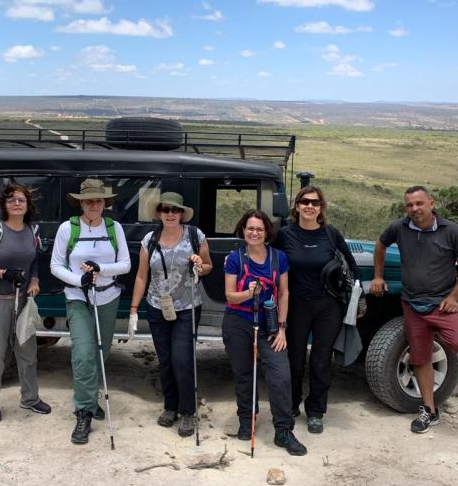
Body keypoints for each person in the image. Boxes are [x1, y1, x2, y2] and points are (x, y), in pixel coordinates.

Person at [370, 185, 458, 433]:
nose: (414, 209)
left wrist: (454, 297)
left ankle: (433, 335)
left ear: (431, 203)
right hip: (412, 304)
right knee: (419, 359)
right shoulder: (400, 227)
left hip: (442, 304)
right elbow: (380, 245)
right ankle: (429, 410)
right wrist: (377, 276)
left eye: (419, 203)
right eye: (409, 205)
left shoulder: (452, 231)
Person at [50, 178, 131, 445]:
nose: (94, 204)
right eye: (88, 200)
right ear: (81, 203)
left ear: (104, 203)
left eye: (98, 200)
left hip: (108, 295)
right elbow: (55, 265)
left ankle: (89, 397)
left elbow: (125, 264)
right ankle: (84, 410)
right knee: (84, 353)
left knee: (100, 352)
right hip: (78, 296)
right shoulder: (68, 228)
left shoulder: (113, 227)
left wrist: (100, 269)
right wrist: (79, 280)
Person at [274, 185, 359, 434]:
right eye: (305, 201)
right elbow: (268, 260)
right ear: (297, 206)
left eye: (315, 203)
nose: (310, 206)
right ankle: (291, 405)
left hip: (327, 306)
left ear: (321, 208)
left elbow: (352, 266)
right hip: (296, 305)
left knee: (321, 361)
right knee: (295, 359)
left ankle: (315, 411)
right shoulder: (284, 235)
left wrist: (357, 297)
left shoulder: (331, 234)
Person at [223, 209, 307, 456]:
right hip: (238, 321)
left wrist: (281, 328)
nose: (254, 233)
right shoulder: (235, 259)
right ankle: (247, 419)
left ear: (267, 232)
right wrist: (249, 293)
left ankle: (283, 431)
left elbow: (284, 293)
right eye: (250, 228)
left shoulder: (278, 258)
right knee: (244, 373)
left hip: (269, 324)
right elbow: (229, 295)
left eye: (259, 229)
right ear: (243, 230)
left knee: (280, 375)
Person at [129, 192, 212, 437]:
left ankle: (188, 411)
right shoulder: (150, 240)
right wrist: (134, 308)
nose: (170, 214)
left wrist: (200, 265)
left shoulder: (195, 236)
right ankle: (170, 407)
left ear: (182, 213)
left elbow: (207, 267)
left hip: (187, 306)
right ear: (159, 213)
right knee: (165, 360)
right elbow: (142, 276)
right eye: (165, 210)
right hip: (157, 306)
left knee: (182, 360)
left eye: (175, 210)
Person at [0, 182, 50, 423]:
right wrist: (3, 274)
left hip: (23, 301)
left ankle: (30, 398)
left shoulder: (32, 231)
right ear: (4, 205)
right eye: (12, 200)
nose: (16, 203)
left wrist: (34, 280)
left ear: (27, 205)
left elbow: (35, 261)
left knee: (27, 352)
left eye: (21, 200)